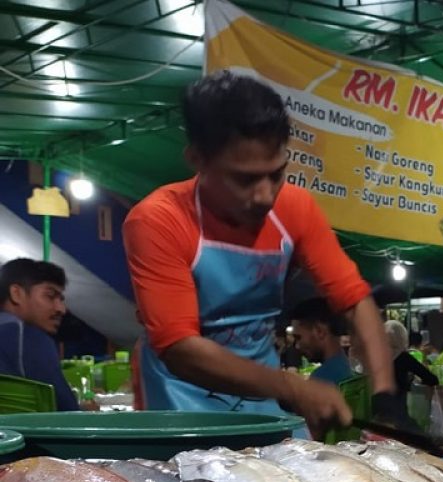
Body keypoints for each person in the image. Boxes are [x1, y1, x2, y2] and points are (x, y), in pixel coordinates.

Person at [122, 70, 399, 434]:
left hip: (262, 392)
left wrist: (386, 398)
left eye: (277, 173)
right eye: (245, 179)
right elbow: (180, 349)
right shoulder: (158, 221)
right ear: (197, 159)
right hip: (179, 397)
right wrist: (292, 387)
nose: (266, 196)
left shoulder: (295, 208)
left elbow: (354, 299)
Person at [0, 258, 78, 411]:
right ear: (16, 293)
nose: (61, 309)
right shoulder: (28, 338)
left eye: (61, 299)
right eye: (50, 296)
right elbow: (69, 413)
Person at [384, 319, 437, 426]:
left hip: (377, 412)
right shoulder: (404, 358)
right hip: (398, 413)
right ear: (402, 338)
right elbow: (431, 379)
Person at [290, 298, 353, 384]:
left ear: (319, 331)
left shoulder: (321, 379)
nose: (297, 346)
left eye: (298, 337)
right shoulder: (349, 368)